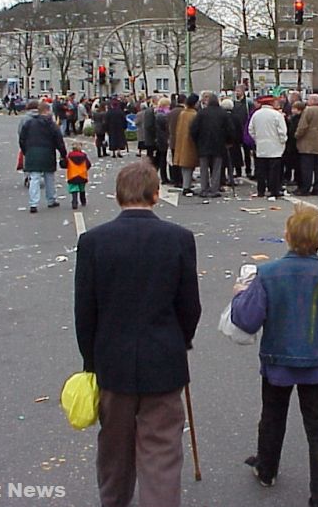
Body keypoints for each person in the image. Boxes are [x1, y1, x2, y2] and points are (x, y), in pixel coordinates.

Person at [74, 160, 201, 507]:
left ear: (117, 197)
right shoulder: (179, 239)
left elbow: (85, 311)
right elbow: (190, 306)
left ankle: (113, 500)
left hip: (112, 363)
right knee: (161, 451)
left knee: (114, 446)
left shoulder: (93, 242)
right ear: (156, 195)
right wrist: (181, 340)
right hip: (164, 359)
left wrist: (91, 360)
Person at [231, 204, 318, 507]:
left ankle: (266, 468)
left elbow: (246, 320)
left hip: (277, 361)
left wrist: (240, 294)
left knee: (272, 416)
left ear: (287, 237)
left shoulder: (268, 274)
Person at [19, 102, 67, 213]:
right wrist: (63, 154)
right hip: (48, 152)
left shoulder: (29, 123)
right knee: (49, 177)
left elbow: (22, 139)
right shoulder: (51, 125)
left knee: (34, 178)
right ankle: (51, 200)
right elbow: (59, 141)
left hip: (32, 152)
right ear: (46, 111)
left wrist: (26, 150)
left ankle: (33, 203)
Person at [190, 95, 234, 198]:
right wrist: (229, 141)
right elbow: (230, 129)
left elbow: (193, 129)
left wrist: (196, 141)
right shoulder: (223, 113)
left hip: (203, 143)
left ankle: (204, 188)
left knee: (204, 167)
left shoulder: (201, 113)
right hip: (218, 143)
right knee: (217, 167)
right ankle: (214, 188)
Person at [249, 97, 288, 200]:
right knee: (274, 171)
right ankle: (273, 191)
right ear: (271, 103)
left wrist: (257, 139)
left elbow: (251, 129)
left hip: (261, 146)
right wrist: (282, 141)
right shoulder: (276, 115)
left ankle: (261, 190)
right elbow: (282, 131)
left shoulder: (256, 114)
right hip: (275, 147)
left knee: (261, 170)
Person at [295, 93, 318, 197]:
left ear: (312, 101)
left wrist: (297, 135)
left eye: (309, 100)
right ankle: (317, 188)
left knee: (306, 168)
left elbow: (303, 126)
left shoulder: (308, 111)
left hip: (307, 143)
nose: (307, 101)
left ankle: (305, 189)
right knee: (317, 168)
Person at [172, 93, 200, 197]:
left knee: (185, 166)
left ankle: (186, 185)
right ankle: (186, 187)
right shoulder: (193, 114)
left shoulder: (183, 113)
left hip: (181, 142)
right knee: (189, 165)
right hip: (190, 143)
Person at [232, 85, 254, 179]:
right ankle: (238, 170)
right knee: (236, 151)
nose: (237, 93)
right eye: (236, 91)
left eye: (239, 91)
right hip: (236, 130)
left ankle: (248, 170)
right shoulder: (233, 103)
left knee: (247, 151)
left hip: (245, 128)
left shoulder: (248, 103)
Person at [167, 93, 186, 186]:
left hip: (173, 139)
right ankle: (182, 180)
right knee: (182, 161)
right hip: (182, 140)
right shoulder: (184, 112)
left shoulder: (171, 112)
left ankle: (175, 179)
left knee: (174, 161)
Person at [66, 141, 91, 210]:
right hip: (82, 175)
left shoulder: (69, 156)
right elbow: (88, 164)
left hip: (72, 175)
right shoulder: (84, 156)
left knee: (74, 189)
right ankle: (83, 201)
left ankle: (74, 202)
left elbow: (64, 164)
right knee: (82, 189)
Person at [155, 97, 171, 184]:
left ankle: (162, 176)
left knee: (161, 159)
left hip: (159, 139)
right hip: (163, 140)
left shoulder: (157, 113)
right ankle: (164, 177)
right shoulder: (164, 115)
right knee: (163, 160)